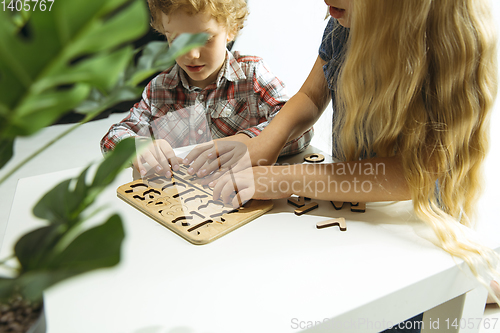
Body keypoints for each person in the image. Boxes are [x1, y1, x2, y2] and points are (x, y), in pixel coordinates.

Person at [208, 0, 500, 330]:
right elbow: (311, 96)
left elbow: (414, 173)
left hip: (414, 229)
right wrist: (264, 145)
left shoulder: (448, 45)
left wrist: (283, 178)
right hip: (352, 208)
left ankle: (468, 282)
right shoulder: (343, 24)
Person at [100, 0, 312, 177]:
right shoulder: (160, 89)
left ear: (231, 30)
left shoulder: (252, 75)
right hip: (183, 208)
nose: (192, 54)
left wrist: (251, 140)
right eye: (176, 39)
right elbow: (114, 136)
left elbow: (300, 130)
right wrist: (136, 146)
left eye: (204, 39)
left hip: (247, 200)